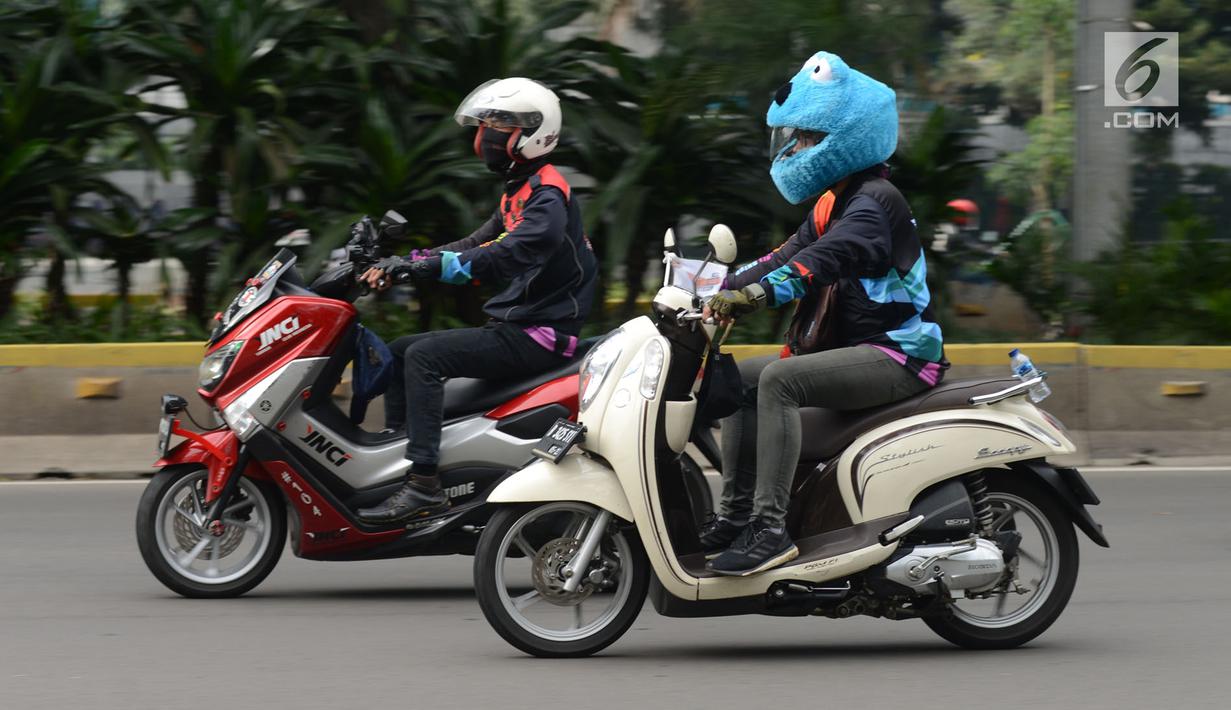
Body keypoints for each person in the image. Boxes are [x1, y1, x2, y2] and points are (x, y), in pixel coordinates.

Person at [700, 52, 948, 576]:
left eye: (807, 139)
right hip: (855, 350)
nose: (796, 148)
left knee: (778, 381)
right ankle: (736, 515)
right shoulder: (832, 201)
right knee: (739, 379)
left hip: (897, 354)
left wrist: (754, 297)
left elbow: (819, 262)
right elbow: (781, 257)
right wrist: (711, 287)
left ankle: (770, 529)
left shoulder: (874, 202)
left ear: (848, 135)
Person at [356, 78, 597, 523]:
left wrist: (426, 268)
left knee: (425, 358)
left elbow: (502, 255)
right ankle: (404, 458)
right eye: (487, 122)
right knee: (398, 351)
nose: (488, 132)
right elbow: (475, 241)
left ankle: (424, 485)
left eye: (501, 122)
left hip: (539, 334)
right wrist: (406, 263)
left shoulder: (548, 197)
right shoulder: (520, 188)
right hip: (516, 326)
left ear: (534, 131)